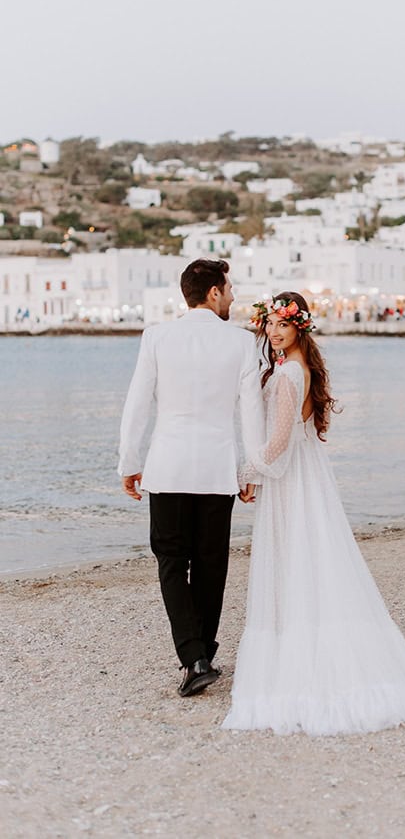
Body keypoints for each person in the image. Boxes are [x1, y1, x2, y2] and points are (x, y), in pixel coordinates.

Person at [223, 292, 405, 736]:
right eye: (270, 325)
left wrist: (247, 470)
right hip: (305, 477)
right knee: (312, 560)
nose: (274, 332)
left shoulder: (288, 374)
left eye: (282, 324)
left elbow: (278, 441)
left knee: (295, 559)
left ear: (300, 327)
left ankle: (301, 662)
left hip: (292, 482)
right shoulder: (299, 369)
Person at [118, 259, 264, 697]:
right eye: (230, 288)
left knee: (170, 561)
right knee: (210, 563)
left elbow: (137, 404)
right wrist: (251, 467)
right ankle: (203, 653)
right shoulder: (242, 343)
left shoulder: (157, 337)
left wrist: (129, 462)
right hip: (217, 469)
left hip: (168, 465)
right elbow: (251, 412)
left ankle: (194, 657)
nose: (234, 296)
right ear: (214, 292)